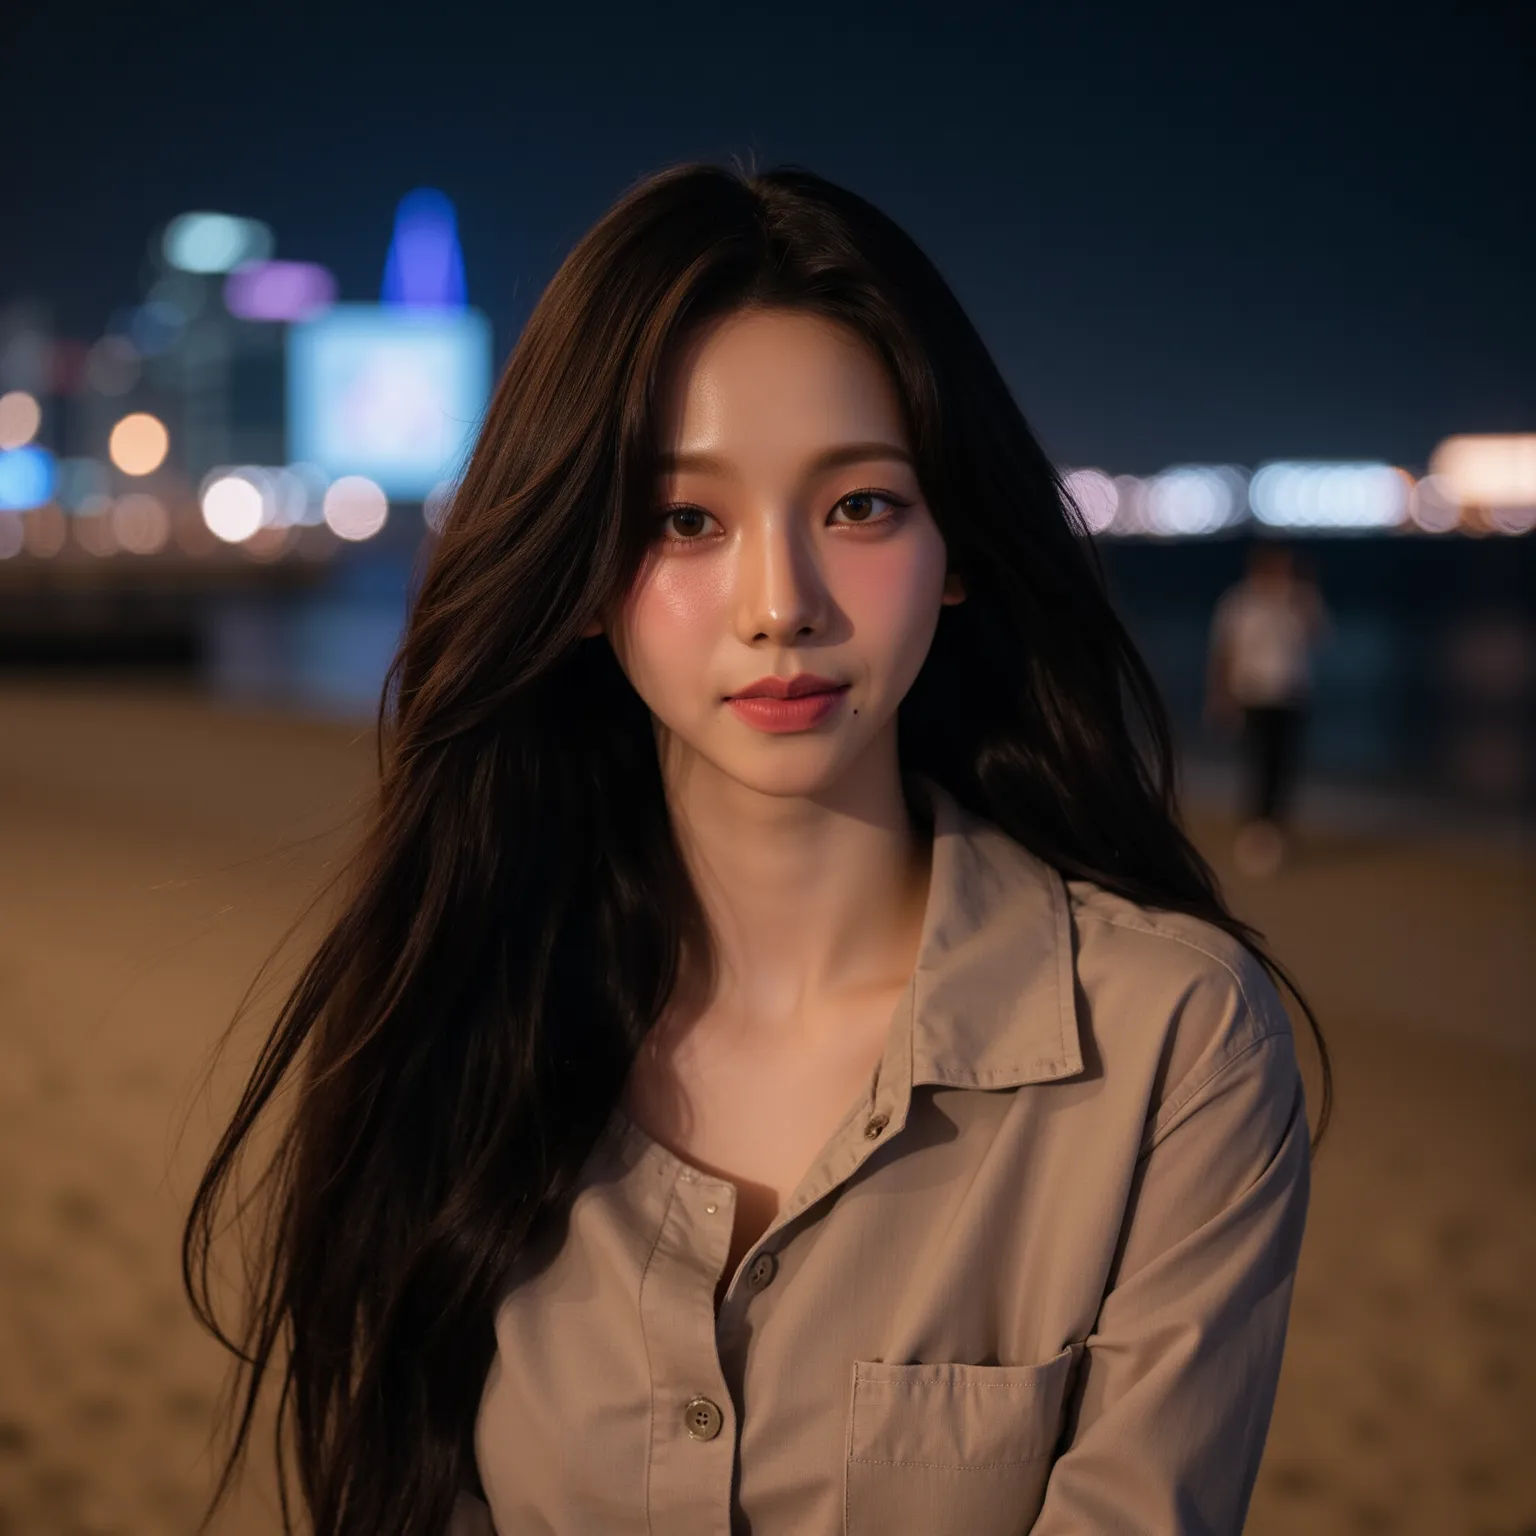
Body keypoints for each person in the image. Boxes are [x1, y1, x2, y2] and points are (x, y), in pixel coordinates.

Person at [183, 160, 1332, 1536]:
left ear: (957, 539)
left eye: (860, 506)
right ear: (582, 569)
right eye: (686, 520)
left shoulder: (1178, 1047)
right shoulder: (467, 1013)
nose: (780, 604)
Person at [1206, 542, 1331, 877]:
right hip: (1254, 696)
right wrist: (1221, 698)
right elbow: (1225, 652)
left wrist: (1302, 595)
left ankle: (1278, 831)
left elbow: (1318, 635)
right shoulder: (1239, 603)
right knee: (1258, 764)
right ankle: (1255, 833)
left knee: (1285, 765)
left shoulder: (1299, 600)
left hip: (1291, 696)